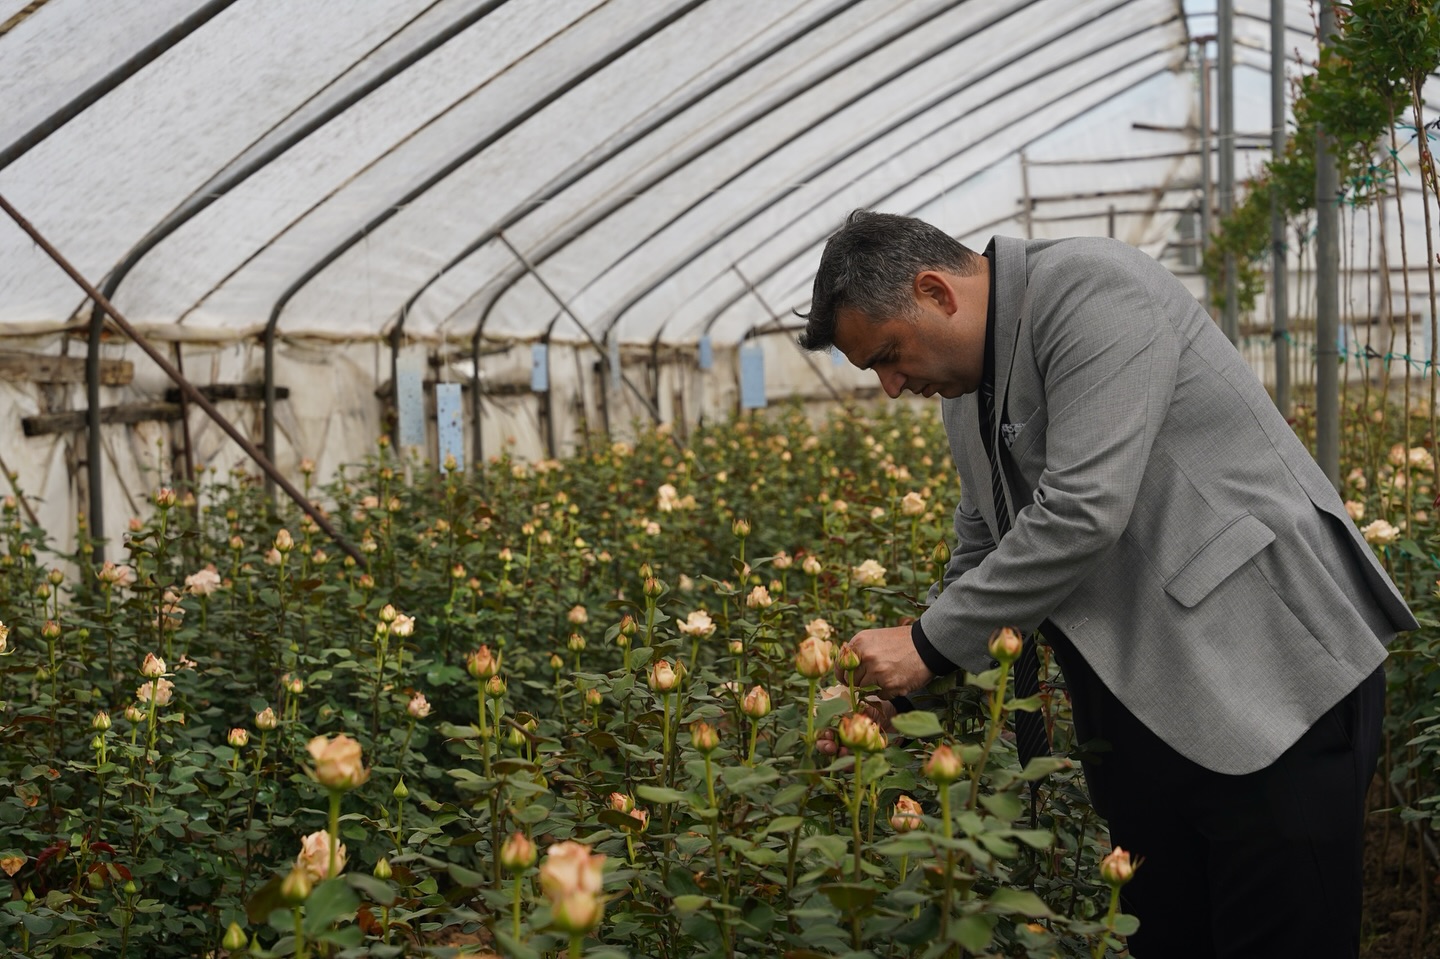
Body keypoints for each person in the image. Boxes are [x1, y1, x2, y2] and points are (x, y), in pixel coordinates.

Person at [798, 210, 1416, 958]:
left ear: (936, 290)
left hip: (1267, 673)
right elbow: (982, 542)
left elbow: (1086, 511)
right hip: (1143, 701)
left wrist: (927, 643)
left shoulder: (1092, 290)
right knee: (1166, 932)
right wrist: (894, 688)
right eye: (875, 371)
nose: (893, 386)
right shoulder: (966, 395)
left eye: (890, 355)